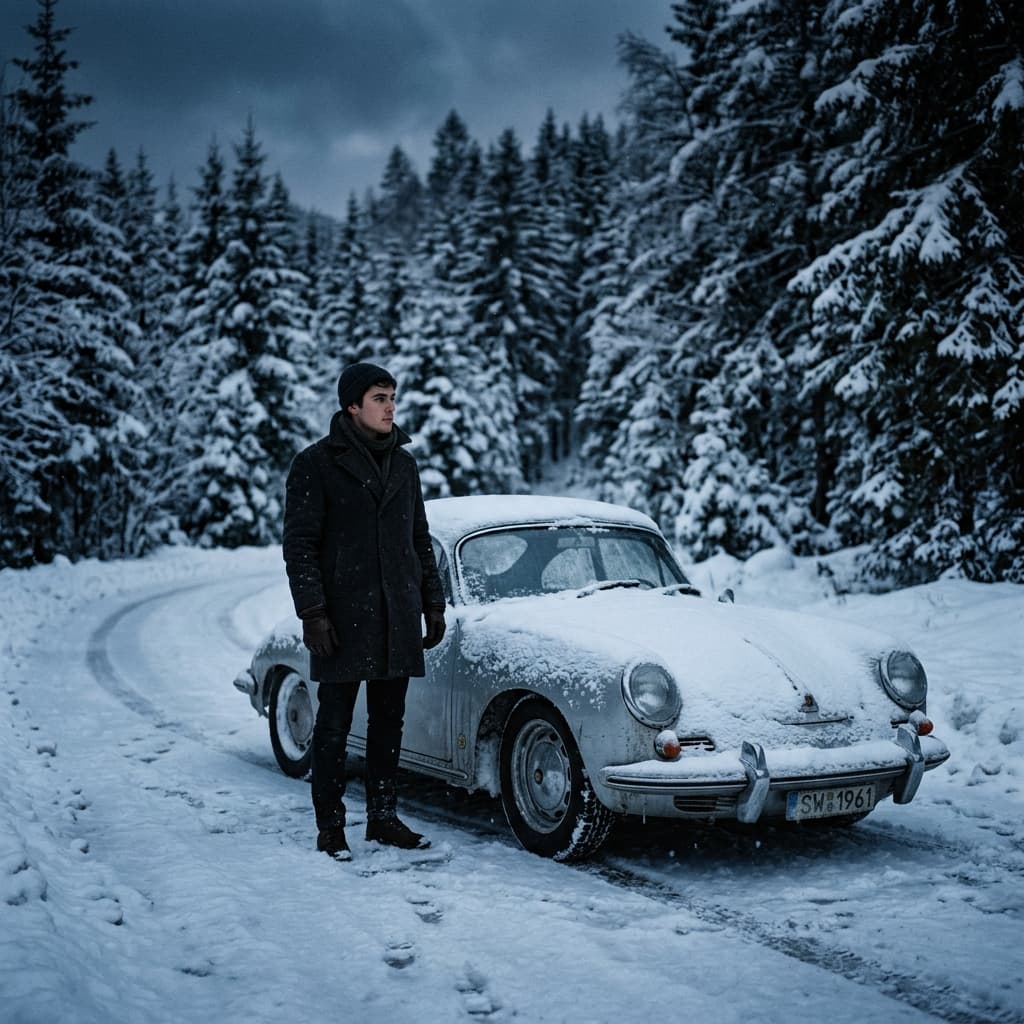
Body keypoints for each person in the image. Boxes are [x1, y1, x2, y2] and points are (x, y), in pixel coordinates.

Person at [282, 362, 447, 861]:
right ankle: (330, 827)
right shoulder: (315, 463)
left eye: (393, 397)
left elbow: (419, 539)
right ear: (352, 405)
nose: (390, 407)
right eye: (379, 398)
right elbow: (300, 546)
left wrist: (433, 602)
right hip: (341, 618)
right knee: (333, 726)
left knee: (388, 721)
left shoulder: (405, 465)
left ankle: (382, 818)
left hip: (397, 614)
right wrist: (313, 612)